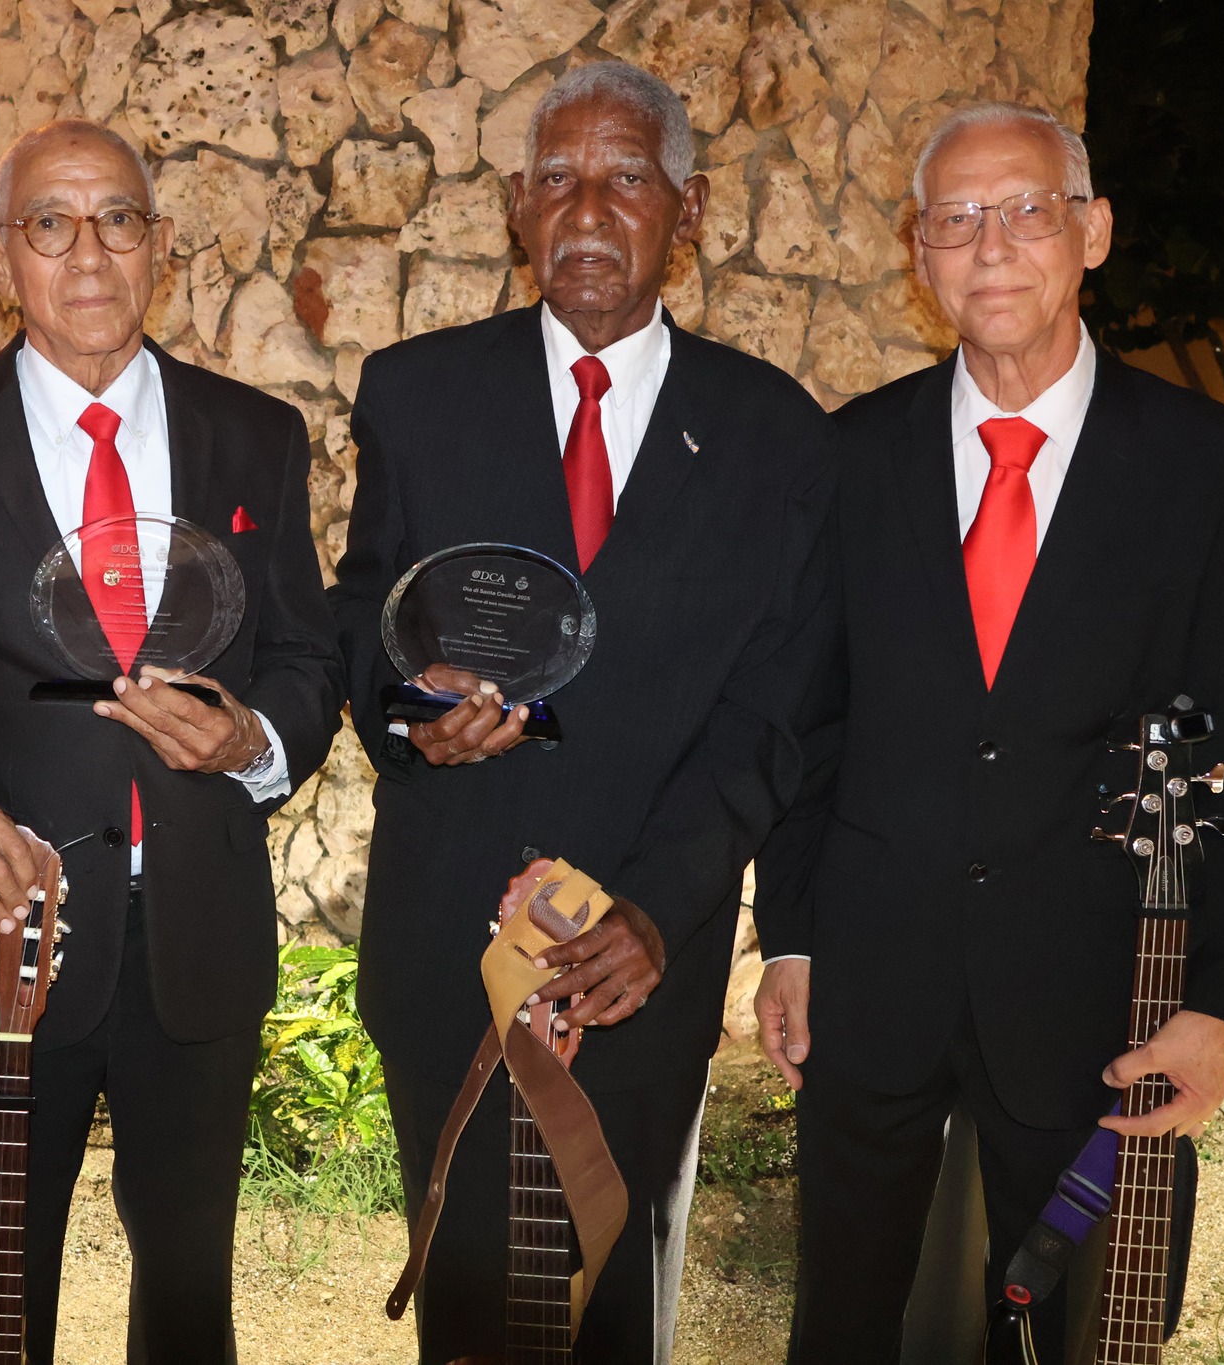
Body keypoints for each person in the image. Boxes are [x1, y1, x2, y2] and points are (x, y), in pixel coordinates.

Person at [753, 101, 1224, 1364]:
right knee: (837, 1325)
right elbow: (808, 720)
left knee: (1071, 1337)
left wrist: (1216, 1004)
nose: (988, 245)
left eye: (1023, 210)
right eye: (954, 219)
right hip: (869, 988)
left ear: (1090, 232)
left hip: (1100, 1003)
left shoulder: (1215, 472)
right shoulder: (847, 455)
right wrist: (791, 938)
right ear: (918, 253)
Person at [331, 61, 837, 1363]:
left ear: (689, 208)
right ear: (516, 205)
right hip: (448, 950)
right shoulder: (416, 395)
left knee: (608, 1304)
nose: (588, 209)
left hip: (636, 964)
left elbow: (772, 711)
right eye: (556, 178)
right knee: (468, 1312)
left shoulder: (773, 434)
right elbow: (363, 616)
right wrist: (407, 713)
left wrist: (657, 910)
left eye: (626, 178)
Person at [0, 118, 342, 1363]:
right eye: (49, 223)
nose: (86, 254)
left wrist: (252, 741)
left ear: (158, 245)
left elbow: (306, 659)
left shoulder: (255, 436)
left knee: (188, 1299)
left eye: (116, 219)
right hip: (3, 942)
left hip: (195, 942)